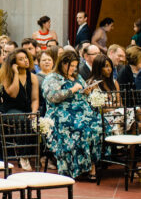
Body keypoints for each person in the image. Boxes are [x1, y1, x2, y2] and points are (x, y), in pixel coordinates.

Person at [42, 50, 103, 179]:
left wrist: (87, 91)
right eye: (71, 66)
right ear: (63, 64)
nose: (73, 69)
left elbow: (82, 91)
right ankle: (78, 168)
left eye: (75, 66)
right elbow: (52, 96)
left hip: (81, 111)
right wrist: (71, 90)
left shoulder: (77, 77)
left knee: (98, 126)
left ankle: (91, 165)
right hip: (61, 113)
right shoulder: (52, 78)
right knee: (80, 129)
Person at [0, 48, 39, 114]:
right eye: (21, 59)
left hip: (27, 111)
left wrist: (33, 113)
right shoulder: (7, 76)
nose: (25, 60)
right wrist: (16, 73)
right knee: (24, 120)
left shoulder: (33, 77)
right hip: (10, 111)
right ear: (14, 63)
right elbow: (13, 94)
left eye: (26, 57)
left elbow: (35, 99)